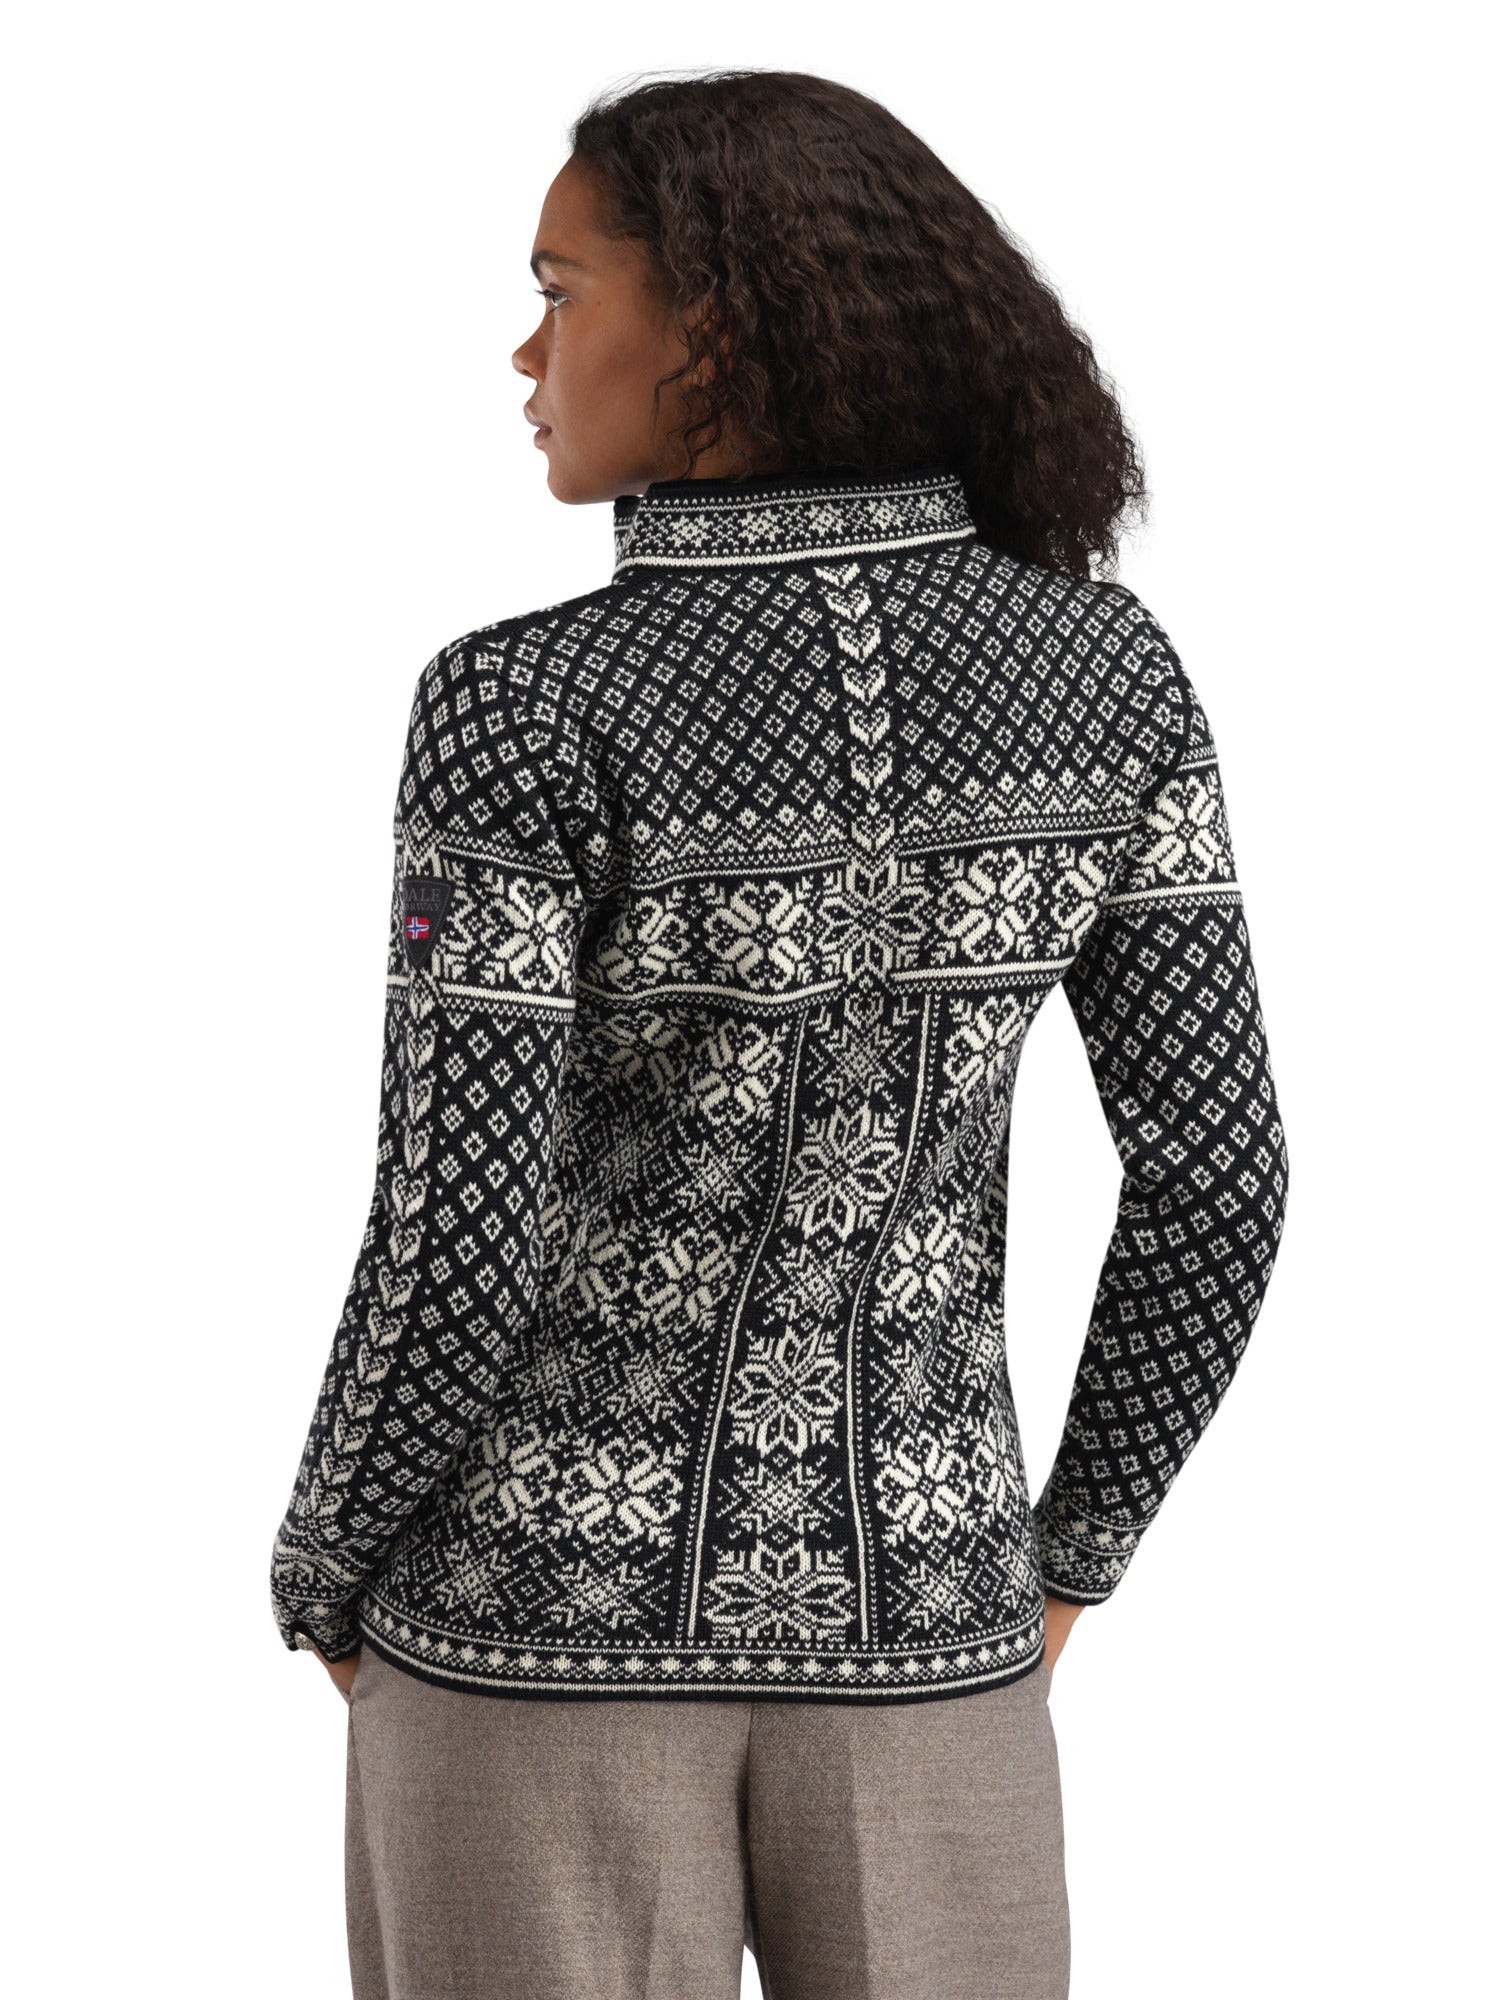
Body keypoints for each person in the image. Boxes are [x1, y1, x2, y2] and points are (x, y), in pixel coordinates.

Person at [269, 69, 1290, 2000]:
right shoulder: (1114, 676)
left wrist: (322, 1556)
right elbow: (1221, 1186)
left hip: (526, 1619)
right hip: (931, 1623)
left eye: (560, 290)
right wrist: (1064, 1560)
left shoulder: (524, 708)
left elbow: (457, 1231)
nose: (524, 352)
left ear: (716, 324)